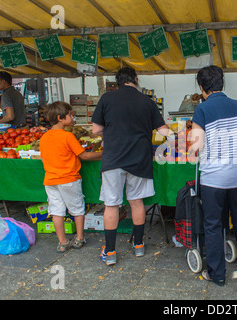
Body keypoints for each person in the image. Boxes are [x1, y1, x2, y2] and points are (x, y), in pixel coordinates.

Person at [92, 67, 169, 266]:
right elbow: (163, 130)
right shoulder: (147, 101)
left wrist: (112, 134)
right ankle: (139, 246)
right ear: (135, 79)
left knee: (112, 204)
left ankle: (110, 252)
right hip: (139, 159)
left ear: (117, 81)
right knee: (137, 202)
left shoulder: (106, 99)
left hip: (113, 158)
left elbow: (96, 129)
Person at [190, 65, 237, 286]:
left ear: (201, 87)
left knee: (213, 224)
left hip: (213, 180)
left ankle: (216, 273)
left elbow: (196, 146)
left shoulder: (202, 110)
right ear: (222, 83)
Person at [39, 101, 102, 252]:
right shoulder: (67, 136)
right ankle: (79, 238)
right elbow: (84, 156)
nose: (73, 118)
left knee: (56, 211)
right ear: (60, 118)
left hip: (50, 180)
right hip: (68, 179)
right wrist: (105, 153)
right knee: (77, 209)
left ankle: (62, 242)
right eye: (71, 115)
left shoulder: (44, 137)